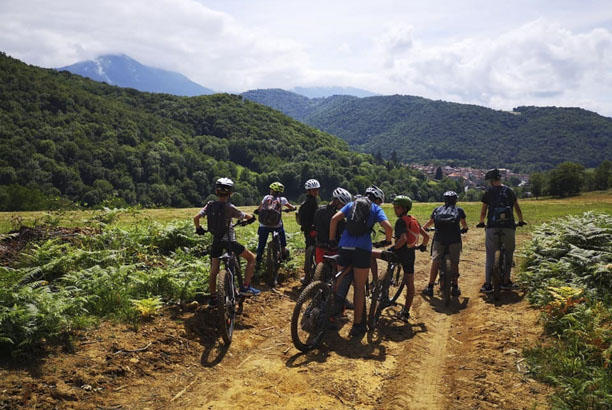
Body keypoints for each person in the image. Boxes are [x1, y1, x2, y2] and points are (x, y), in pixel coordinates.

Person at [329, 185, 393, 337]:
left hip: (344, 247)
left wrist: (332, 240)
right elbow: (388, 227)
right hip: (362, 250)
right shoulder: (376, 209)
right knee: (359, 288)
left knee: (339, 281)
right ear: (377, 200)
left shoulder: (352, 204)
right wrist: (387, 240)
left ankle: (330, 314)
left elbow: (334, 219)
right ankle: (358, 325)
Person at [194, 177, 260, 303]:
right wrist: (251, 218)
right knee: (251, 258)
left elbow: (196, 217)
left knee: (214, 270)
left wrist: (199, 228)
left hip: (216, 241)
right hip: (230, 242)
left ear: (216, 192)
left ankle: (213, 298)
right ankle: (245, 287)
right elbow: (243, 215)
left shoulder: (210, 205)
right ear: (231, 193)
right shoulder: (229, 207)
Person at [371, 195, 429, 321]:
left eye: (397, 208)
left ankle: (375, 282)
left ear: (404, 208)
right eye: (394, 207)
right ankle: (406, 311)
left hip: (398, 255)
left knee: (370, 253)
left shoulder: (401, 221)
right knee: (410, 283)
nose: (395, 210)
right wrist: (423, 246)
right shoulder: (413, 220)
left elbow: (403, 239)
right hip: (410, 255)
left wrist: (393, 248)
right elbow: (426, 237)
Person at [477, 169, 526, 293]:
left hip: (493, 226)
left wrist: (482, 222)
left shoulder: (488, 192)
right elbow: (517, 209)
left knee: (490, 255)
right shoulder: (509, 191)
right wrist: (520, 221)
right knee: (509, 253)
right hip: (508, 226)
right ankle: (506, 282)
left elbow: (483, 212)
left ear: (491, 181)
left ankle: (488, 284)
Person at [421, 191, 468, 298]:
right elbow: (464, 225)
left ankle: (430, 286)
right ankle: (455, 287)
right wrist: (465, 229)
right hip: (454, 239)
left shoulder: (438, 210)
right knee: (455, 262)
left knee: (435, 261)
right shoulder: (459, 210)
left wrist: (424, 228)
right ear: (455, 200)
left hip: (439, 239)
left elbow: (430, 222)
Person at [255, 182, 296, 270]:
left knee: (261, 244)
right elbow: (291, 207)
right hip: (276, 225)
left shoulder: (266, 197)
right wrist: (293, 208)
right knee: (282, 232)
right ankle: (284, 252)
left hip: (264, 225)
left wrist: (257, 211)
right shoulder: (283, 199)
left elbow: (260, 208)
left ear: (272, 190)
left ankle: (258, 261)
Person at [298, 179, 320, 283]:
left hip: (308, 231)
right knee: (314, 251)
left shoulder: (306, 203)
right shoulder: (311, 203)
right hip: (312, 230)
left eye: (317, 190)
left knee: (310, 250)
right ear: (309, 191)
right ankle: (311, 274)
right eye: (314, 190)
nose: (316, 192)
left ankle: (308, 276)